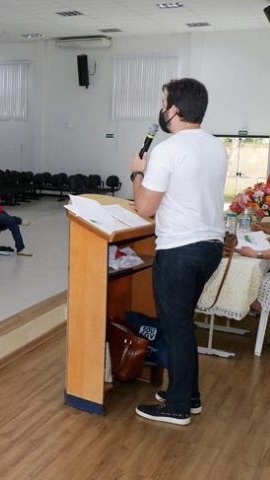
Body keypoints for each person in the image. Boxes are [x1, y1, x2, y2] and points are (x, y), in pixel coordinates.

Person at [131, 78, 226, 426]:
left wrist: (136, 172)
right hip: (210, 248)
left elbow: (144, 207)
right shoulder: (216, 146)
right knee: (183, 324)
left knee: (176, 328)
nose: (161, 109)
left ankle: (177, 406)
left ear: (174, 110)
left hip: (179, 250)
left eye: (163, 102)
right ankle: (189, 396)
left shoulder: (168, 150)